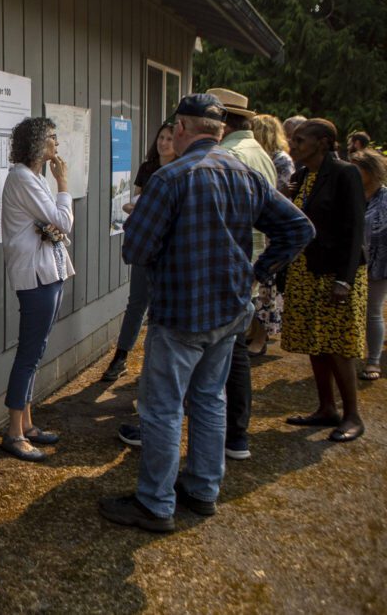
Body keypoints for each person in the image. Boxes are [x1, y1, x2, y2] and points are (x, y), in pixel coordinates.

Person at [98, 93, 313, 532]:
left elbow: (135, 249)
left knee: (161, 409)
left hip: (181, 313)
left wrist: (148, 225)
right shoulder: (245, 174)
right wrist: (259, 272)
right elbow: (298, 228)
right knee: (209, 401)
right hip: (230, 309)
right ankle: (201, 490)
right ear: (217, 132)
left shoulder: (170, 178)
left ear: (179, 130)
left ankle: (156, 503)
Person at [282, 119, 368, 442]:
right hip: (308, 269)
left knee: (338, 345)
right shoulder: (303, 175)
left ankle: (352, 415)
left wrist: (344, 281)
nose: (293, 145)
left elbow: (355, 229)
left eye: (300, 140)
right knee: (314, 341)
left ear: (322, 142)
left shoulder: (345, 174)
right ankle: (326, 408)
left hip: (337, 274)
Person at [0, 116, 74, 462]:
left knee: (36, 350)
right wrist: (64, 184)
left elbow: (50, 224)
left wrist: (52, 217)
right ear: (36, 144)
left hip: (49, 272)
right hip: (35, 277)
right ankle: (14, 433)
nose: (56, 144)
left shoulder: (33, 178)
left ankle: (27, 424)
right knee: (29, 353)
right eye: (51, 138)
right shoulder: (23, 179)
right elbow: (62, 221)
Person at [207, 88, 277, 460]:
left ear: (222, 123)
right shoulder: (258, 153)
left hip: (229, 263)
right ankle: (236, 433)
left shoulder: (230, 156)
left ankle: (233, 433)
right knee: (232, 350)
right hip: (248, 260)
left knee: (225, 353)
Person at [101, 122, 176, 388]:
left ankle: (154, 368)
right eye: (161, 137)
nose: (163, 142)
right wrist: (136, 206)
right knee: (137, 302)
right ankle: (120, 357)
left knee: (161, 308)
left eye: (169, 138)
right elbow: (137, 200)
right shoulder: (149, 168)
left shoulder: (181, 169)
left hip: (169, 250)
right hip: (147, 246)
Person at [247, 114, 295, 357]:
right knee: (259, 287)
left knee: (267, 288)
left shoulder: (281, 161)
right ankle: (252, 331)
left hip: (270, 234)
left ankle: (261, 337)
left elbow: (282, 197)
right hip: (259, 230)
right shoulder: (264, 157)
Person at [349, 149, 387, 380]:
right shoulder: (352, 194)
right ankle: (351, 355)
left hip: (378, 264)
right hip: (353, 262)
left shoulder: (384, 198)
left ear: (371, 171)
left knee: (372, 311)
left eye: (357, 168)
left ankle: (373, 361)